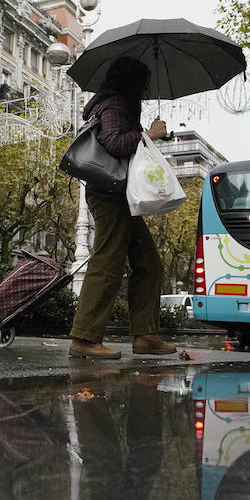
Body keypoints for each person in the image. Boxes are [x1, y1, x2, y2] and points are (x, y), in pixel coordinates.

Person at [67, 56, 176, 359]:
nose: (144, 89)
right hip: (109, 192)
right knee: (108, 261)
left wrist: (153, 135)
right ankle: (84, 337)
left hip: (120, 194)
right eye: (142, 82)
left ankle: (145, 335)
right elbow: (114, 142)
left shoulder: (120, 105)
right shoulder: (115, 103)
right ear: (131, 81)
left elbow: (126, 143)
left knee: (149, 262)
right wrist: (148, 135)